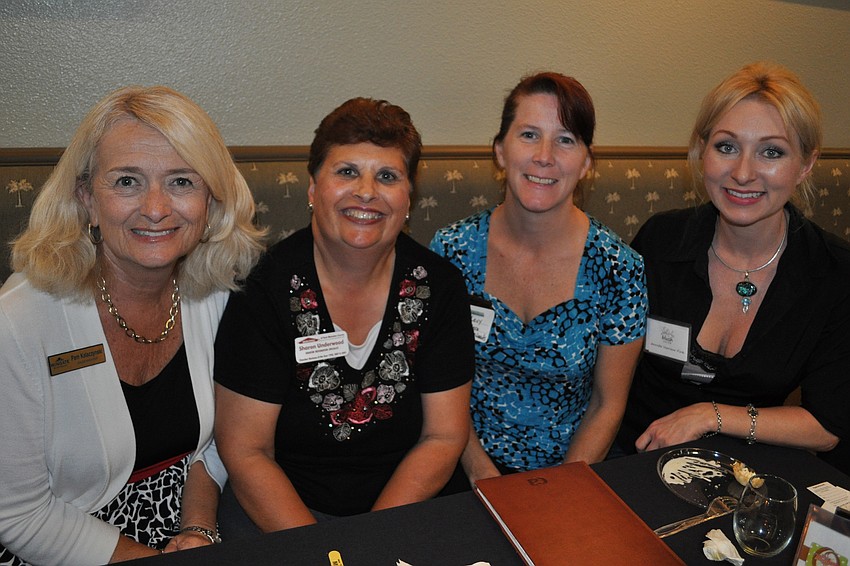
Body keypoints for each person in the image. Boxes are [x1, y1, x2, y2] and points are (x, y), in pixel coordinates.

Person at [0, 85, 265, 564]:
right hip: (51, 543)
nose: (157, 208)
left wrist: (199, 530)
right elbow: (18, 514)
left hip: (187, 524)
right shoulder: (17, 323)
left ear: (210, 202)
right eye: (127, 181)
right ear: (87, 199)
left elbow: (217, 443)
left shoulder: (219, 293)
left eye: (182, 181)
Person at [214, 97, 474, 531]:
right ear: (314, 189)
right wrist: (322, 553)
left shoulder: (441, 288)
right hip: (284, 514)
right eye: (347, 171)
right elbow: (246, 451)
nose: (367, 191)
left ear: (409, 197)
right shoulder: (263, 290)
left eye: (387, 176)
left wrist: (369, 542)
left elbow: (443, 437)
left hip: (410, 506)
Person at [616, 61, 850, 473]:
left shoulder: (834, 272)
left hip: (751, 474)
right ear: (702, 150)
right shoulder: (660, 240)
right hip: (637, 458)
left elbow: (827, 425)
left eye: (771, 152)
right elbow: (607, 367)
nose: (743, 173)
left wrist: (709, 414)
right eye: (726, 146)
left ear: (807, 164)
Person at [430, 72, 648, 483]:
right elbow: (438, 386)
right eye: (529, 134)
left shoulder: (620, 269)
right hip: (461, 462)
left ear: (585, 162)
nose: (544, 156)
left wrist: (560, 491)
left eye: (565, 139)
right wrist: (484, 479)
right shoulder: (450, 252)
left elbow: (606, 404)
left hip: (576, 470)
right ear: (500, 150)